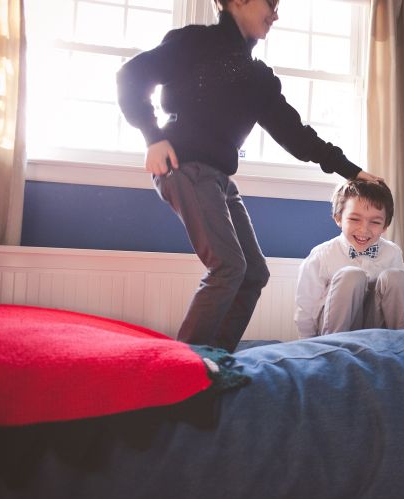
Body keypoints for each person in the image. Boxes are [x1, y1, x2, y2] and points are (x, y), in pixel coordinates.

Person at [116, 0, 383, 351]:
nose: (276, 13)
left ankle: (218, 357)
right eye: (270, 3)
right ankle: (186, 363)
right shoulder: (195, 42)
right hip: (184, 165)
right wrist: (153, 136)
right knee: (228, 266)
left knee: (254, 273)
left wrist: (354, 172)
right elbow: (131, 75)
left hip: (219, 178)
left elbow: (299, 137)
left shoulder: (259, 78)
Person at [294, 180, 404, 338]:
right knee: (351, 275)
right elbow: (306, 308)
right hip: (334, 332)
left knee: (395, 277)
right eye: (355, 219)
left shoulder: (392, 252)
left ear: (385, 226)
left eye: (375, 222)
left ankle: (403, 342)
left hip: (376, 329)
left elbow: (399, 301)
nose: (364, 229)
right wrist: (307, 343)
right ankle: (335, 347)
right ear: (338, 218)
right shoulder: (322, 255)